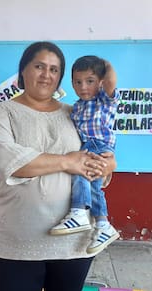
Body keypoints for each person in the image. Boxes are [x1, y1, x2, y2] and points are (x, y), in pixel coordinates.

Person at [0, 42, 116, 291]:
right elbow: (10, 161)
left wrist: (108, 164)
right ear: (23, 70)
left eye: (54, 70)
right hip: (19, 240)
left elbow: (98, 153)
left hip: (73, 243)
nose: (46, 75)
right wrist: (68, 161)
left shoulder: (74, 113)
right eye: (39, 66)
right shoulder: (2, 113)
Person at [50, 55, 120, 254]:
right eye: (77, 82)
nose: (83, 87)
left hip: (99, 145)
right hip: (89, 144)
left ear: (100, 82)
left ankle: (79, 211)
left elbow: (112, 81)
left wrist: (105, 64)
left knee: (80, 172)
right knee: (95, 187)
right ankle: (103, 225)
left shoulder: (103, 100)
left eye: (90, 81)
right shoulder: (78, 105)